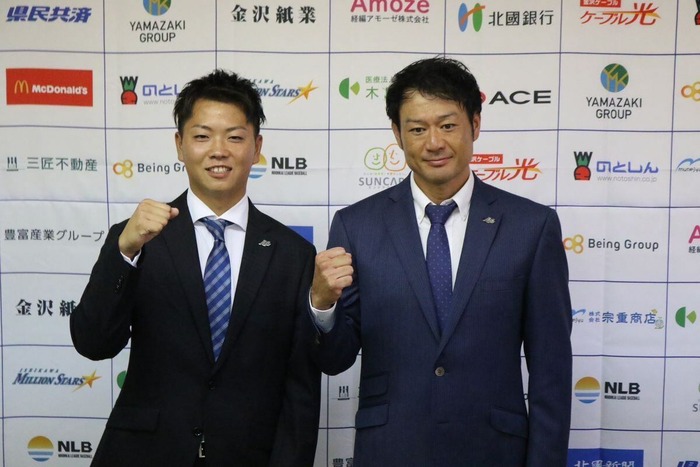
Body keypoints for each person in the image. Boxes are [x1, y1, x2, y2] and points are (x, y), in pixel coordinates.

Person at [310, 57, 572, 466]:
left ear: (475, 125)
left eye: (448, 125)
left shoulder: (531, 226)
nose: (433, 142)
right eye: (417, 129)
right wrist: (322, 304)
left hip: (494, 452)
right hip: (391, 451)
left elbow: (551, 369)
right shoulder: (356, 225)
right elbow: (334, 359)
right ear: (397, 134)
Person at [70, 69, 321, 467]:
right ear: (180, 145)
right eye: (202, 136)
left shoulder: (293, 254)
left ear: (257, 147)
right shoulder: (137, 237)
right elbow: (93, 342)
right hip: (145, 454)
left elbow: (300, 388)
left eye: (234, 137)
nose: (218, 151)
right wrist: (124, 253)